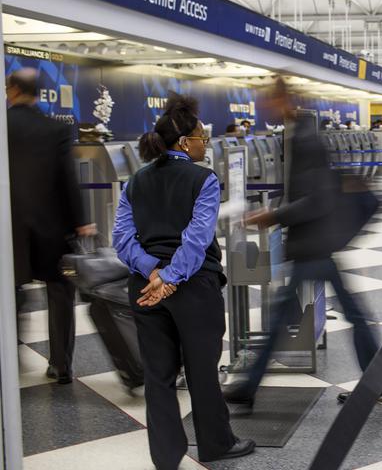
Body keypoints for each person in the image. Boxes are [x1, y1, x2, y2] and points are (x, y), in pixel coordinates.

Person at [223, 78, 382, 407]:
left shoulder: (305, 139)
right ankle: (379, 380)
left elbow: (317, 200)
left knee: (282, 321)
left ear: (282, 100)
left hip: (313, 243)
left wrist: (272, 216)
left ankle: (248, 388)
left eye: (268, 100)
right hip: (316, 243)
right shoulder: (299, 135)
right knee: (342, 314)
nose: (264, 107)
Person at [112, 93, 254, 469]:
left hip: (144, 289)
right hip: (193, 287)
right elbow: (197, 236)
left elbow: (122, 240)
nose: (204, 144)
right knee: (201, 370)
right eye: (201, 139)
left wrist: (152, 272)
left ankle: (166, 455)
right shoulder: (203, 179)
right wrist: (170, 277)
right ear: (184, 142)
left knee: (158, 376)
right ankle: (216, 444)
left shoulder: (134, 181)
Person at [7, 68, 96, 384]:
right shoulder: (54, 129)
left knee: (11, 292)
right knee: (60, 293)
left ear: (13, 90)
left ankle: (9, 358)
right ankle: (61, 364)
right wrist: (81, 221)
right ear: (37, 93)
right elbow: (68, 179)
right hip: (52, 228)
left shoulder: (3, 127)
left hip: (10, 230)